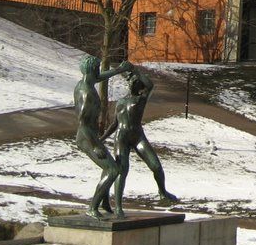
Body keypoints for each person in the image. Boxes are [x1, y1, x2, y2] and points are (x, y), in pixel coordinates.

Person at [102, 65, 179, 218]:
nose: (132, 83)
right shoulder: (121, 102)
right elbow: (115, 124)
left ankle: (162, 192)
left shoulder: (141, 99)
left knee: (156, 166)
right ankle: (118, 206)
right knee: (122, 171)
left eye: (136, 81)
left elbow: (151, 85)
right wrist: (103, 138)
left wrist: (135, 70)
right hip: (121, 137)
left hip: (138, 136)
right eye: (131, 81)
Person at [74, 55, 133, 218]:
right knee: (112, 169)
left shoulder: (85, 83)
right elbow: (83, 124)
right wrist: (94, 145)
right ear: (93, 70)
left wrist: (119, 69)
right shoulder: (87, 94)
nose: (99, 72)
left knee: (110, 167)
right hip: (87, 137)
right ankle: (93, 207)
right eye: (97, 69)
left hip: (90, 135)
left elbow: (101, 77)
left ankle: (104, 202)